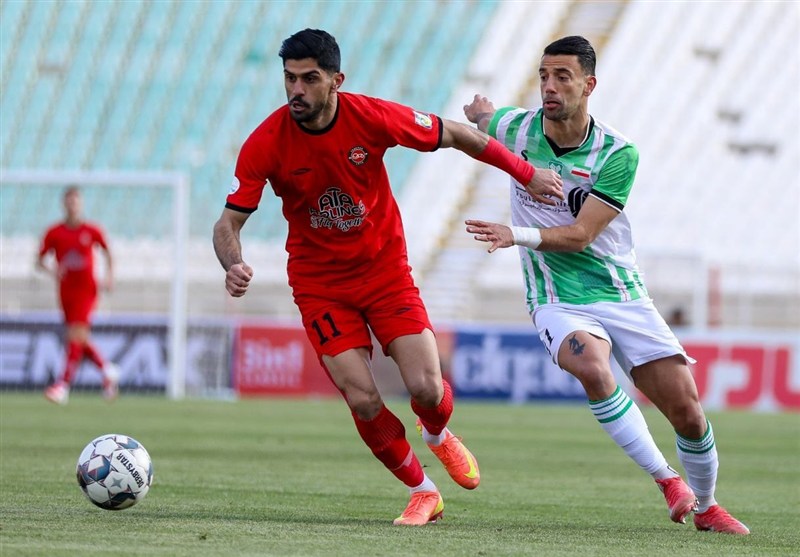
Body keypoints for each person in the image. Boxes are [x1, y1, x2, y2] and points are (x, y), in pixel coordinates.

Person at [212, 28, 563, 526]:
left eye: (309, 79)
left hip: (384, 273)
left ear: (337, 80)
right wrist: (234, 263)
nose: (296, 91)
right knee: (361, 394)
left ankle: (438, 434)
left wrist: (526, 174)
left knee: (426, 388)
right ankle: (423, 491)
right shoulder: (266, 142)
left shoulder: (370, 116)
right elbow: (228, 223)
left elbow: (460, 134)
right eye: (289, 79)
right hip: (320, 286)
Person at [462, 36, 749, 535]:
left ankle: (707, 505)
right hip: (555, 297)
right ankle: (668, 483)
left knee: (687, 411)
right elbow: (489, 122)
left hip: (621, 293)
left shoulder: (618, 154)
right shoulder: (517, 127)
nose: (549, 87)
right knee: (593, 368)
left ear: (589, 85)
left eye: (562, 77)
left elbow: (580, 236)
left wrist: (517, 235)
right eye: (543, 76)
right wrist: (481, 113)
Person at [37, 185, 119, 405]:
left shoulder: (91, 230)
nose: (72, 205)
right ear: (64, 204)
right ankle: (107, 371)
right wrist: (53, 270)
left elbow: (108, 252)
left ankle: (62, 385)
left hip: (86, 290)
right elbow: (39, 261)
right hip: (65, 291)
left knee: (75, 335)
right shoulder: (54, 232)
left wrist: (109, 277)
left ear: (80, 204)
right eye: (69, 201)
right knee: (78, 338)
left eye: (76, 201)